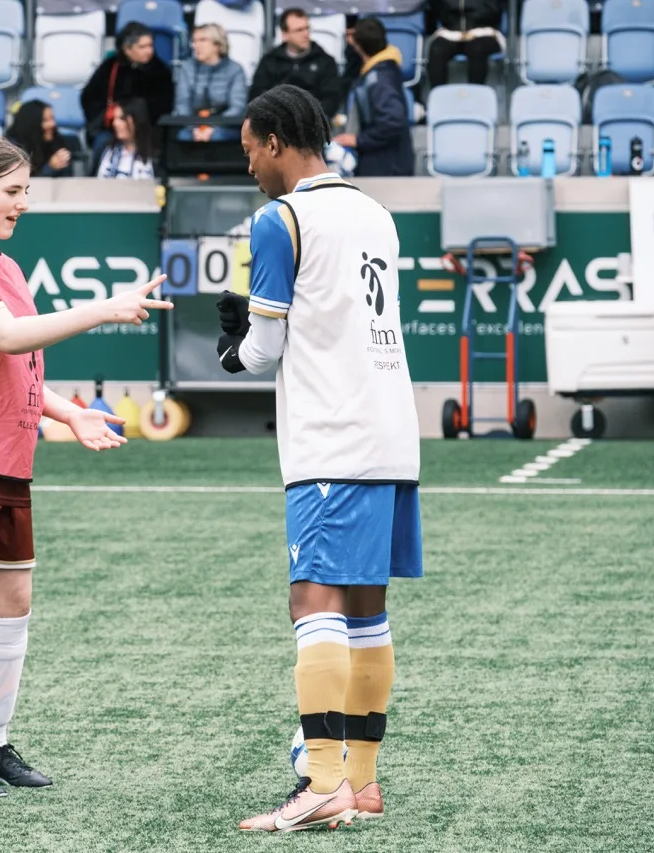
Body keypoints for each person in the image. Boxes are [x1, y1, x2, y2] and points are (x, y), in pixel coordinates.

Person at [0, 136, 172, 798]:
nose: (23, 203)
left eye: (26, 192)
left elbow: (12, 362)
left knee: (12, 600)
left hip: (1, 456)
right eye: (12, 191)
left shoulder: (2, 264)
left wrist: (69, 413)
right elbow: (7, 336)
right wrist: (103, 308)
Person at [217, 84, 422, 831]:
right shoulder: (376, 212)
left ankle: (325, 782)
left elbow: (264, 346)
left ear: (275, 142)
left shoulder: (280, 219)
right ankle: (360, 781)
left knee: (312, 601)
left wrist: (233, 348)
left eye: (250, 151)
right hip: (391, 431)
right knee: (366, 607)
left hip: (332, 437)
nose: (249, 166)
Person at [331, 17, 413, 177]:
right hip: (385, 162)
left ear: (359, 45)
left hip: (387, 167)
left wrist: (359, 140)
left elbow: (393, 121)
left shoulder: (380, 79)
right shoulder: (382, 68)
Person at [80, 21, 174, 146]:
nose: (149, 51)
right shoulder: (110, 67)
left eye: (151, 45)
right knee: (102, 144)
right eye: (142, 47)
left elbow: (165, 106)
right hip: (112, 130)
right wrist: (108, 117)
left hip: (147, 131)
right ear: (127, 49)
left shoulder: (161, 71)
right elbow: (89, 97)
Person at [249, 8, 342, 120]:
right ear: (285, 35)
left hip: (313, 123)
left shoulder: (325, 61)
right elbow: (257, 95)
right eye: (299, 30)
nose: (306, 34)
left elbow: (331, 99)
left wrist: (308, 118)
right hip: (276, 122)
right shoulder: (270, 61)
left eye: (307, 28)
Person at [174, 23, 247, 142]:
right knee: (183, 137)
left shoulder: (235, 70)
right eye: (194, 41)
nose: (196, 45)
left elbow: (237, 107)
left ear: (218, 44)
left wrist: (213, 128)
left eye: (202, 40)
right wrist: (194, 128)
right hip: (193, 126)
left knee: (217, 137)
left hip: (225, 126)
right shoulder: (186, 68)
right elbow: (183, 104)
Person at [426, 0, 504, 88]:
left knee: (476, 48)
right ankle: (438, 93)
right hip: (452, 32)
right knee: (437, 49)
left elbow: (494, 9)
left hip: (484, 31)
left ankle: (476, 93)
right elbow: (437, 8)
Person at [5, 99, 73, 178]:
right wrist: (50, 168)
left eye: (52, 118)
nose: (52, 124)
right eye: (45, 120)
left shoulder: (57, 142)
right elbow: (20, 183)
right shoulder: (12, 150)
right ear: (32, 124)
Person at [94, 98, 155, 180]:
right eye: (114, 118)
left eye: (122, 118)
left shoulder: (153, 158)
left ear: (136, 121)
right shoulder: (110, 152)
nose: (115, 123)